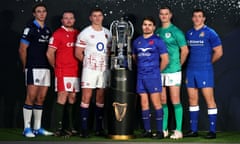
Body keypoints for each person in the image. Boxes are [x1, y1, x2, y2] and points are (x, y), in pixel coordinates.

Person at [184, 9, 223, 139]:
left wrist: (208, 63)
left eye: (199, 16)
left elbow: (219, 52)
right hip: (190, 70)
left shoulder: (210, 33)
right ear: (192, 18)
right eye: (195, 16)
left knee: (209, 100)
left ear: (204, 18)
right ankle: (193, 130)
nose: (197, 19)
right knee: (192, 100)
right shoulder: (188, 33)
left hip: (204, 70)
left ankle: (212, 131)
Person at [75, 8, 112, 138]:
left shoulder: (108, 33)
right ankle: (84, 129)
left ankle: (99, 128)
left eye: (99, 15)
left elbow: (110, 52)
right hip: (89, 70)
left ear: (102, 17)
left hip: (104, 70)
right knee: (86, 98)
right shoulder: (85, 33)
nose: (97, 18)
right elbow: (78, 53)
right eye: (94, 16)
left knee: (100, 98)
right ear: (90, 18)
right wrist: (89, 63)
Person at [19, 3, 53, 138]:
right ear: (34, 14)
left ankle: (37, 128)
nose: (42, 14)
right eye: (39, 11)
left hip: (45, 68)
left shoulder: (48, 30)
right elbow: (22, 49)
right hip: (33, 67)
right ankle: (26, 128)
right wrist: (25, 65)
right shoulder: (30, 29)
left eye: (44, 11)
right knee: (31, 97)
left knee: (41, 98)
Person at [155, 6, 189, 139]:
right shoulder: (157, 32)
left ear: (170, 15)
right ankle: (164, 130)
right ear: (159, 16)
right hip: (160, 71)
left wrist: (178, 65)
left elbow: (185, 50)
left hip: (173, 71)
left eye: (166, 14)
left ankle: (178, 130)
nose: (164, 16)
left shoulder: (176, 31)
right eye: (162, 14)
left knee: (175, 100)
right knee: (163, 100)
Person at [132, 16, 169, 139]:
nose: (146, 27)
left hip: (153, 76)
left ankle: (159, 132)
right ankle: (147, 131)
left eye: (149, 25)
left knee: (156, 103)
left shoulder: (158, 41)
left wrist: (156, 71)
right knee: (144, 104)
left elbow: (165, 60)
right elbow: (134, 58)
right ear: (142, 26)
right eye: (144, 24)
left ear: (153, 27)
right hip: (140, 76)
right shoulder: (137, 41)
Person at [46, 10, 80, 137]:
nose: (69, 20)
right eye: (66, 18)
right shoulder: (58, 34)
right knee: (62, 97)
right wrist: (56, 66)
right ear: (62, 20)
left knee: (72, 98)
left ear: (74, 20)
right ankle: (57, 127)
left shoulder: (78, 34)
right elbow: (49, 53)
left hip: (75, 71)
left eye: (71, 18)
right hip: (63, 71)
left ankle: (70, 127)